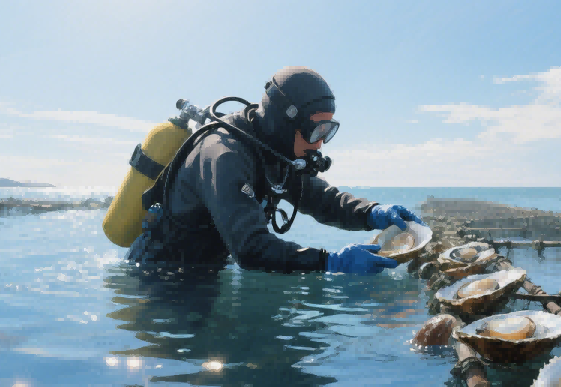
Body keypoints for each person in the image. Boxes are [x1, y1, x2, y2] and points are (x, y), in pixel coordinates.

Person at [127, 67, 423, 274]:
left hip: (210, 266)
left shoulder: (274, 148)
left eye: (328, 130)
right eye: (316, 130)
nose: (320, 144)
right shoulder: (224, 155)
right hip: (164, 273)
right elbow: (250, 249)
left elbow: (323, 199)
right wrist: (330, 262)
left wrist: (372, 212)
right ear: (285, 123)